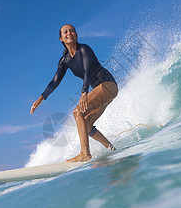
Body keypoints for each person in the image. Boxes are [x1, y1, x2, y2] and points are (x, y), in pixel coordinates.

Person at [30, 24, 118, 162]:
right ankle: (112, 149)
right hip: (101, 91)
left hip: (108, 85)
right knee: (87, 126)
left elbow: (87, 71)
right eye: (65, 32)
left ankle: (85, 154)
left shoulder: (84, 49)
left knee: (78, 112)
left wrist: (84, 92)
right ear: (61, 39)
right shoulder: (64, 61)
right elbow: (55, 81)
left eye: (72, 31)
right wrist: (41, 98)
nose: (69, 33)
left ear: (76, 35)